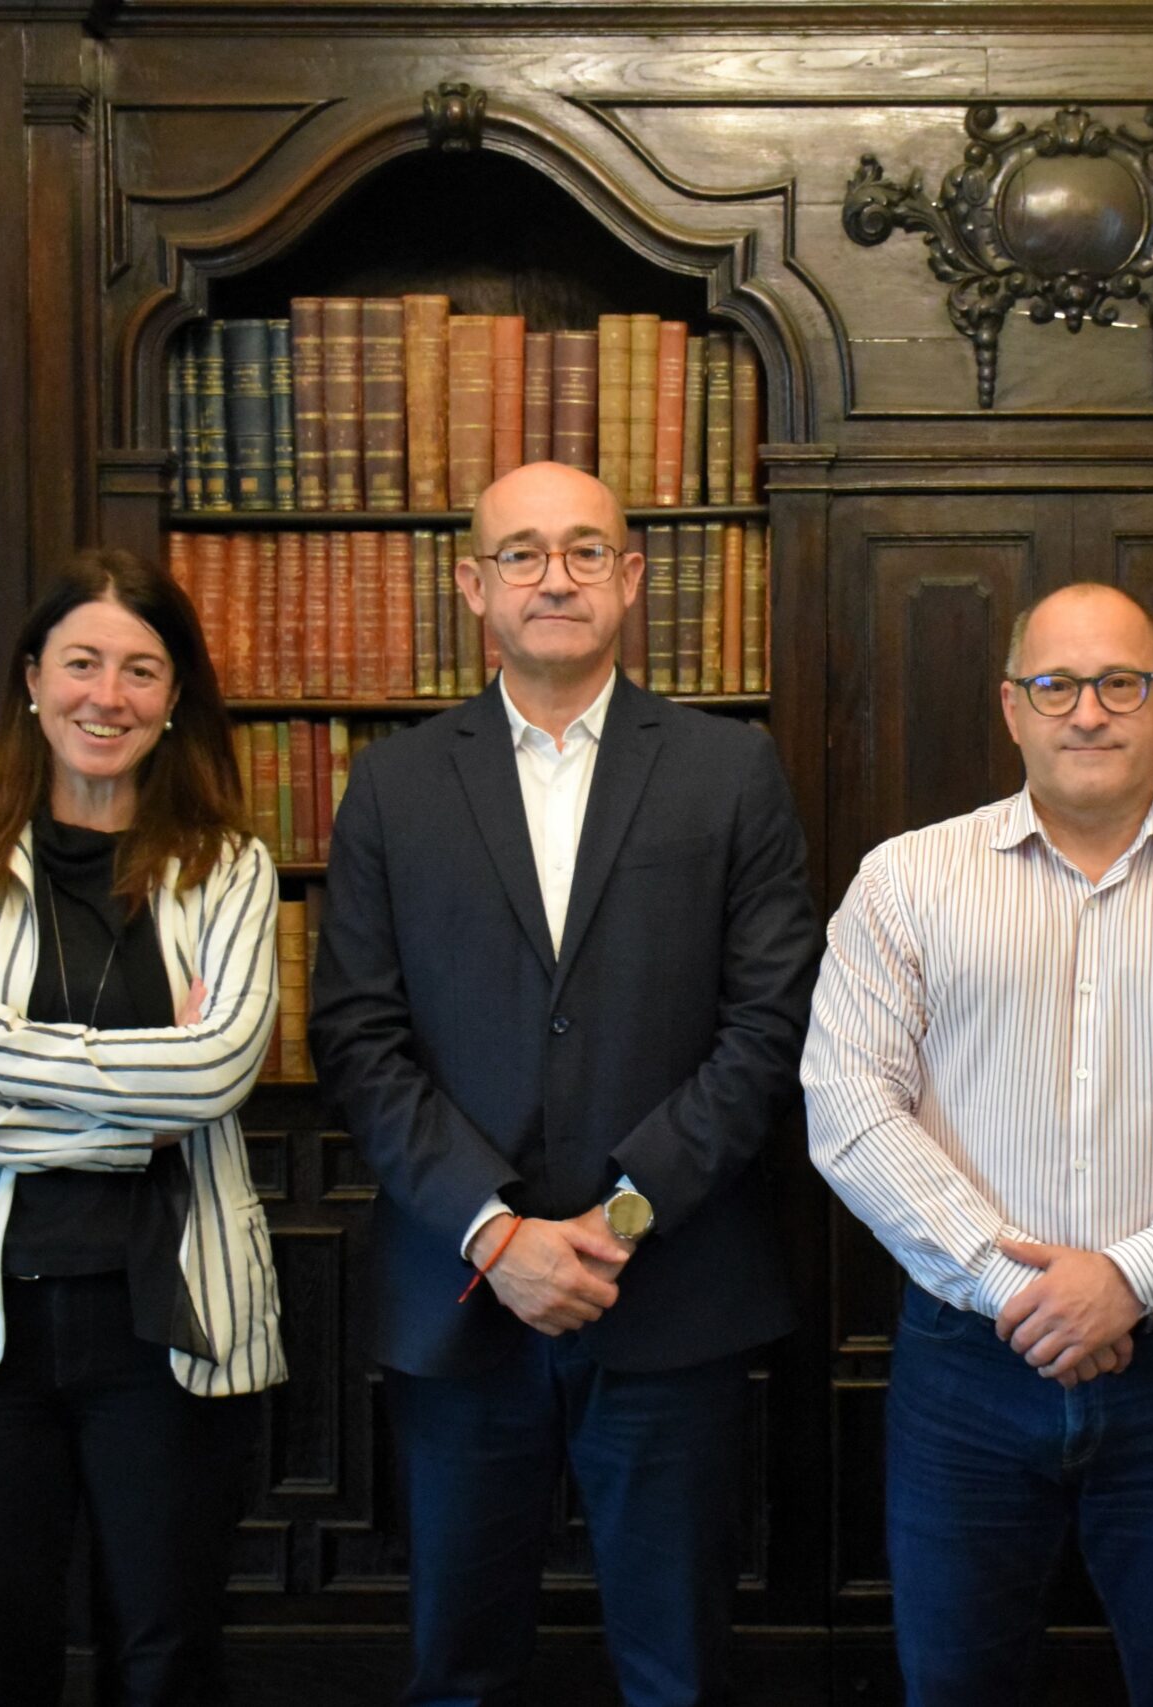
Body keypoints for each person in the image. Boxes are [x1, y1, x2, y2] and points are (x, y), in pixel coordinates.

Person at [310, 461, 819, 1707]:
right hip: (458, 1299)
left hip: (671, 1295)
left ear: (631, 579)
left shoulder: (728, 771)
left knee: (677, 1673)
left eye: (586, 550)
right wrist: (498, 1236)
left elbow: (769, 1026)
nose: (556, 578)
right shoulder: (393, 784)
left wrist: (618, 1221)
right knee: (458, 1672)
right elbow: (357, 1037)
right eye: (523, 554)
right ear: (472, 585)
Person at [802, 581, 1153, 1707]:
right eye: (1056, 685)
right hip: (964, 1368)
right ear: (1012, 707)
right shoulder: (904, 883)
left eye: (1121, 683)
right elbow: (850, 1105)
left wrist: (1130, 1278)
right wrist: (1018, 1287)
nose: (1089, 711)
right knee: (955, 1684)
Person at [0, 547, 285, 1707]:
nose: (109, 696)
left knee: (166, 1656)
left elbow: (216, 1073)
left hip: (171, 1329)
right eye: (82, 663)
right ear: (33, 679)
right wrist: (119, 1126)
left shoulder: (229, 868)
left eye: (141, 670)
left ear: (174, 697)